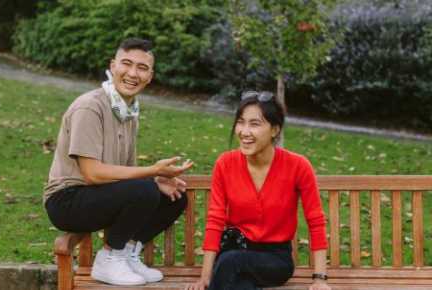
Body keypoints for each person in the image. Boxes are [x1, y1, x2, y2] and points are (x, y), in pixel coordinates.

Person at [44, 38, 193, 286]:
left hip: (99, 194)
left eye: (142, 68)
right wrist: (152, 172)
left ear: (150, 76)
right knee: (144, 189)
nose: (133, 73)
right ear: (113, 66)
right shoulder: (90, 107)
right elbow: (91, 173)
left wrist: (156, 179)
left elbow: (126, 173)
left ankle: (125, 254)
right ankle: (109, 259)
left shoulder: (128, 112)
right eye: (126, 64)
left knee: (174, 196)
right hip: (67, 200)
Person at [186, 91, 330, 290]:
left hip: (275, 260)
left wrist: (319, 279)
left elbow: (316, 221)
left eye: (254, 124)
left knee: (230, 262)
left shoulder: (298, 166)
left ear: (274, 130)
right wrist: (204, 278)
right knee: (240, 283)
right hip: (234, 250)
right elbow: (215, 219)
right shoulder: (225, 164)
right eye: (241, 122)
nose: (244, 132)